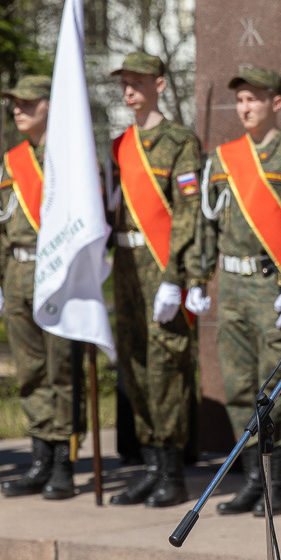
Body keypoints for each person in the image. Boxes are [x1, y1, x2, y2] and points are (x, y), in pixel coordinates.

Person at [195, 67, 281, 517]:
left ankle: (276, 484)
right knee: (236, 387)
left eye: (254, 98)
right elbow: (207, 225)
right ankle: (252, 477)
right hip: (231, 286)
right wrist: (199, 279)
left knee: (270, 389)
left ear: (276, 103)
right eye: (240, 100)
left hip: (272, 287)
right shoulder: (223, 157)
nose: (245, 107)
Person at [105, 52, 202, 508]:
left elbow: (187, 214)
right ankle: (148, 463)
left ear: (159, 85)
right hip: (123, 266)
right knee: (135, 366)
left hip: (160, 267)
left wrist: (174, 276)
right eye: (125, 81)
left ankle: (171, 470)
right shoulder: (118, 144)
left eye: (138, 81)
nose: (129, 90)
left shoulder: (180, 141)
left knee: (166, 366)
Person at [0, 75, 79, 500]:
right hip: (19, 273)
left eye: (27, 103)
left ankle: (63, 460)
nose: (18, 109)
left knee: (60, 371)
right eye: (14, 103)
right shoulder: (13, 160)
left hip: (56, 273)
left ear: (49, 107)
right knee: (29, 371)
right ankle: (39, 455)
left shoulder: (70, 158)